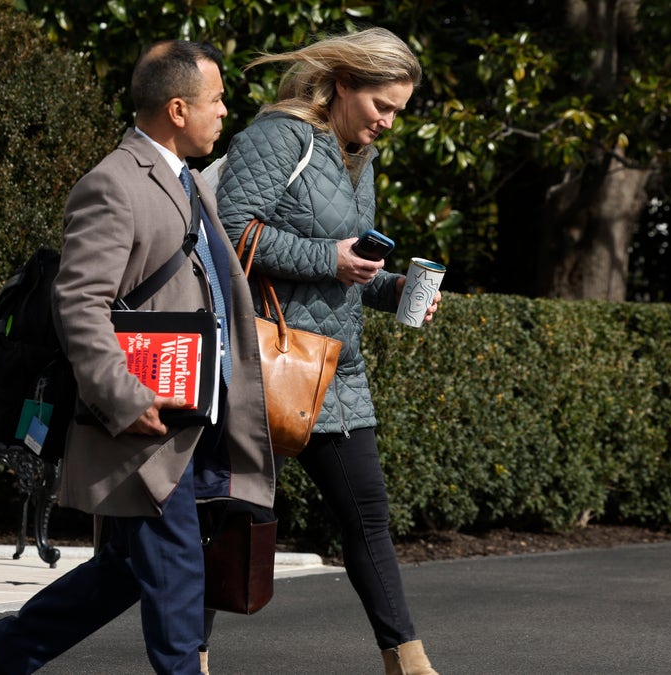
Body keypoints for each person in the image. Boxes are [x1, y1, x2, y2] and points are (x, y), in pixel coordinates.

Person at [0, 40, 274, 675]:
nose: (226, 112)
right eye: (217, 100)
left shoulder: (182, 179)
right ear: (179, 108)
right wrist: (126, 399)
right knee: (177, 569)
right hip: (146, 418)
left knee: (129, 570)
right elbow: (79, 306)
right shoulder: (112, 183)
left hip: (191, 413)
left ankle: (6, 649)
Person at [212, 26, 440, 675]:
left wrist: (397, 290)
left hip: (335, 370)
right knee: (234, 522)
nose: (388, 122)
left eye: (398, 110)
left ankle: (408, 660)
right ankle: (188, 659)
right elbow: (231, 231)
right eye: (381, 105)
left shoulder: (354, 158)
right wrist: (325, 258)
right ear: (344, 83)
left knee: (367, 516)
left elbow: (347, 271)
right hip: (267, 362)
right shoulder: (276, 137)